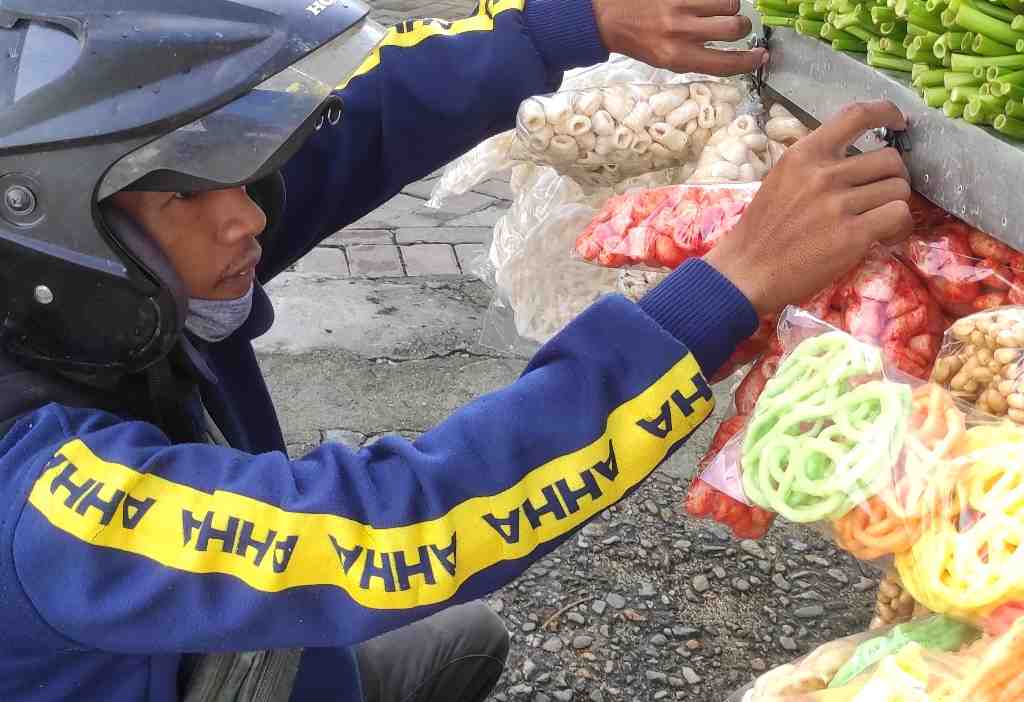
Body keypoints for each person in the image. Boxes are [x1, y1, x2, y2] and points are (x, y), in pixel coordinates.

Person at [0, 0, 913, 700]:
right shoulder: (42, 511)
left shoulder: (88, 273)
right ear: (59, 221)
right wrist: (728, 287)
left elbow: (363, 124)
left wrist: (569, 23)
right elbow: (398, 519)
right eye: (189, 197)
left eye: (237, 176)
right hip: (177, 661)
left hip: (194, 641)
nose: (247, 215)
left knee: (467, 639)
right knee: (436, 617)